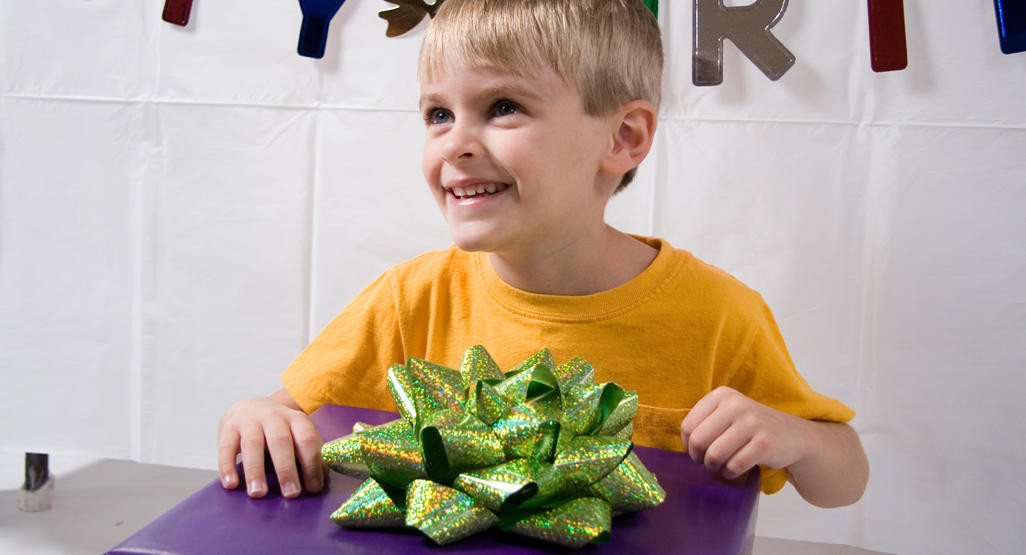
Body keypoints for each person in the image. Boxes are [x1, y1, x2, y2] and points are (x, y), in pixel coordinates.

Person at [217, 0, 868, 508]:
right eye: (438, 115)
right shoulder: (409, 297)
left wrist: (800, 438)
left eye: (502, 106)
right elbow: (283, 409)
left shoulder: (720, 313)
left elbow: (844, 478)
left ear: (623, 136)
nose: (456, 143)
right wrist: (259, 416)